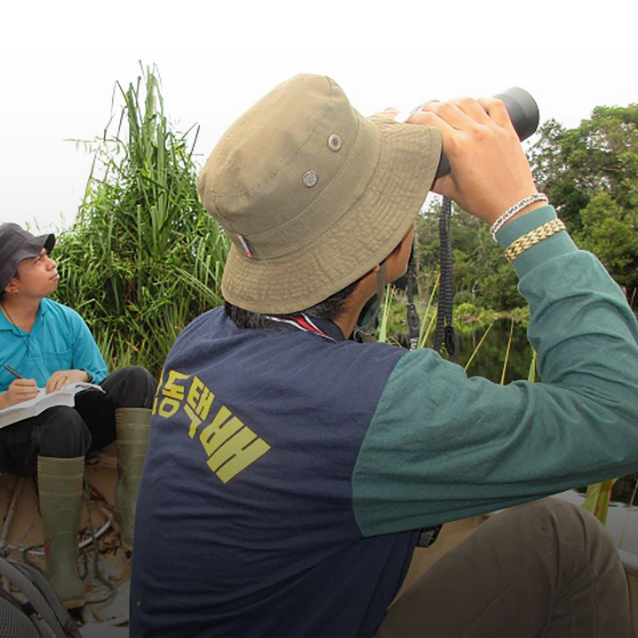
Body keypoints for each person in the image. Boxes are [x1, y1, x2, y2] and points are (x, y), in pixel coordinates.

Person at [129, 74, 638, 637]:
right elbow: (620, 412)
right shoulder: (365, 407)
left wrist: (366, 188)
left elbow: (331, 323)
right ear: (386, 245)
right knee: (564, 539)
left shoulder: (202, 339)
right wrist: (521, 208)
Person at [0, 222, 157, 609]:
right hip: (18, 445)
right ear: (11, 284)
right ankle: (62, 562)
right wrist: (3, 398)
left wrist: (80, 374)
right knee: (62, 421)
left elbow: (100, 378)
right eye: (37, 260)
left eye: (46, 255)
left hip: (74, 433)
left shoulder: (66, 319)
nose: (50, 263)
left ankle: (130, 508)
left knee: (136, 378)